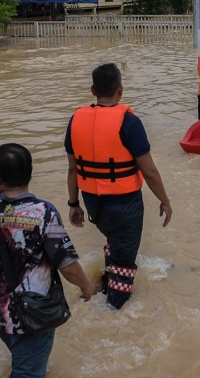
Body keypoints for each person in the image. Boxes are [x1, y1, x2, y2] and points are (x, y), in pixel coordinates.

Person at [0, 144, 95, 378]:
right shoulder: (43, 213)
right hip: (35, 312)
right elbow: (67, 266)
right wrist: (87, 286)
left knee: (21, 357)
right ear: (31, 172)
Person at [65, 63, 172, 309]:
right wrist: (165, 201)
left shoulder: (76, 119)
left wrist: (73, 204)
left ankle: (106, 281)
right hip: (125, 205)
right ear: (120, 90)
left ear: (93, 90)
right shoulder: (130, 123)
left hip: (93, 205)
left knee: (115, 242)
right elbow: (150, 171)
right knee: (124, 261)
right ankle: (115, 309)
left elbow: (73, 169)